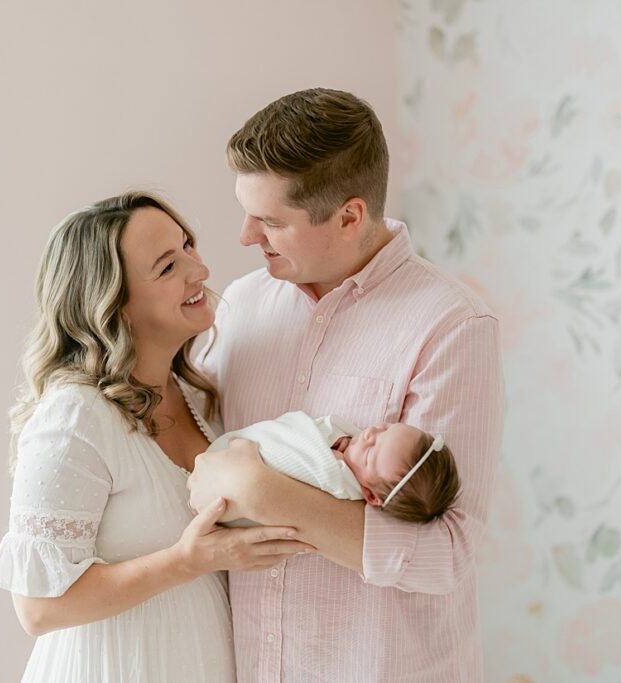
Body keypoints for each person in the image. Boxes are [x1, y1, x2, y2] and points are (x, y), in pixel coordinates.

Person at [188, 88, 505, 681]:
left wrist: (268, 495)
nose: (245, 237)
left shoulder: (451, 327)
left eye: (270, 221)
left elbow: (448, 553)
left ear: (349, 216)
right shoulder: (241, 305)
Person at [0, 192, 314, 682]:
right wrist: (187, 560)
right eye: (167, 267)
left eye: (187, 246)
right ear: (114, 305)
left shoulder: (199, 398)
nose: (198, 270)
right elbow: (37, 608)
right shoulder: (75, 415)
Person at [204, 411, 459, 524]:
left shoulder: (338, 481)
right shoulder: (346, 441)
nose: (370, 433)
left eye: (370, 453)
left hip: (229, 486)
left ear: (370, 495)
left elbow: (304, 463)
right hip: (223, 460)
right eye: (386, 428)